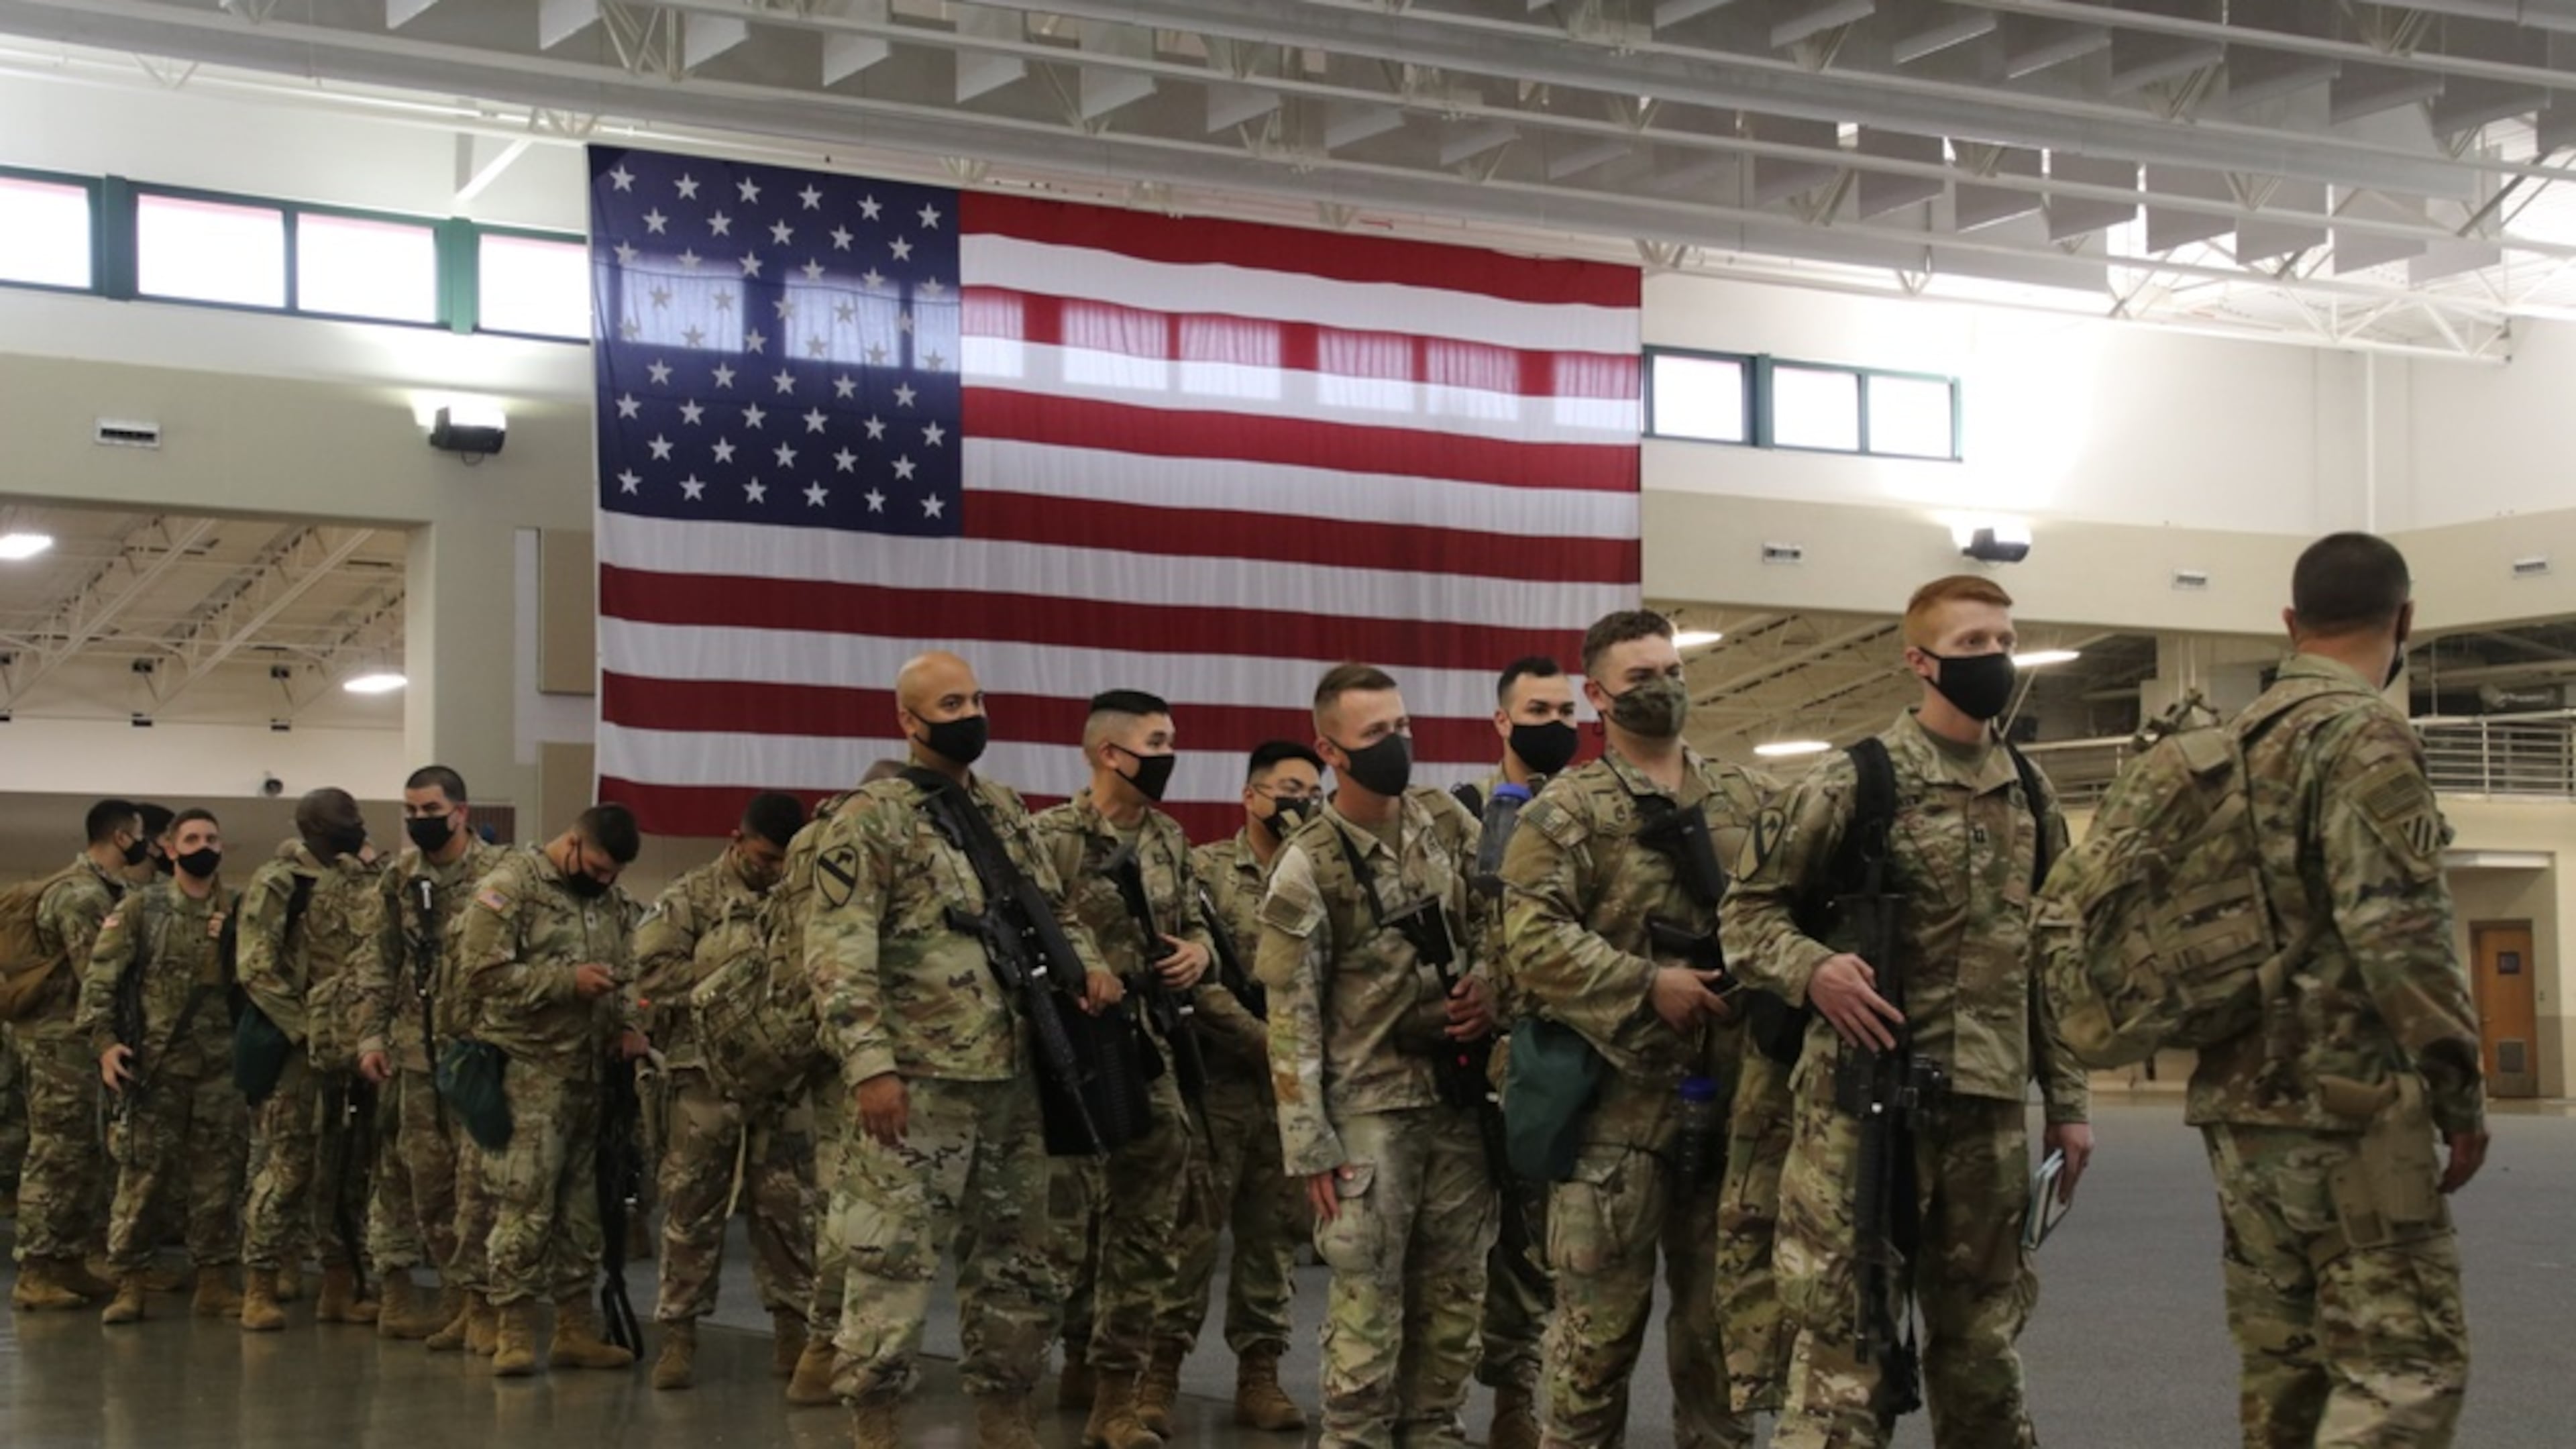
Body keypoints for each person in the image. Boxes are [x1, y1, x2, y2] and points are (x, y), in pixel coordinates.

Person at [1721, 576, 2094, 1449]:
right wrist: (1813, 970)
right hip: (1862, 1111)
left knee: (1985, 1353)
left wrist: (2069, 1105)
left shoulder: (2034, 799)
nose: (1995, 659)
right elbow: (1743, 919)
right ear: (1919, 661)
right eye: (1972, 646)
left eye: (2004, 642)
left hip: (1988, 1115)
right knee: (1847, 1347)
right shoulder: (1852, 782)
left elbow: (2054, 962)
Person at [2191, 533, 2487, 1445]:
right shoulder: (2365, 733)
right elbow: (2401, 935)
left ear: (2289, 624)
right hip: (2350, 1110)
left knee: (2287, 1383)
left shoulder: (2233, 740)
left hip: (2243, 1113)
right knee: (2405, 1372)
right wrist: (2458, 1090)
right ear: (2406, 621)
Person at [800, 651, 1121, 1449]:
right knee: (890, 1261)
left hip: (1017, 1074)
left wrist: (1092, 966)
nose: (970, 713)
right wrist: (870, 1064)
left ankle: (1006, 1411)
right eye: (950, 702)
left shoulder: (1005, 811)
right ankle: (875, 1421)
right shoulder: (869, 817)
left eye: (977, 697)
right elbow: (836, 950)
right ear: (908, 721)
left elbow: (1051, 908)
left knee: (1019, 1261)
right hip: (917, 1085)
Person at [1501, 612, 1773, 1447]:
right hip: (1611, 1115)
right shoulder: (1565, 812)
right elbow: (1530, 943)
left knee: (1725, 1345)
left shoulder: (1749, 797)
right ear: (1597, 696)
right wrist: (1647, 983)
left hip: (1734, 1110)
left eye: (1671, 669)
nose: (1663, 687)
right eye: (1641, 675)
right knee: (1592, 1349)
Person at [1256, 662, 1498, 1449]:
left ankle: (1434, 1432)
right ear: (1331, 750)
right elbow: (1289, 1018)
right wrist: (1310, 1147)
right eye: (1376, 734)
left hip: (1457, 1102)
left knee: (1455, 1293)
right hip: (1367, 1115)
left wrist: (1491, 986)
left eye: (1402, 727)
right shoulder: (1309, 863)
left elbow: (1499, 922)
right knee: (1367, 1299)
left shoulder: (1445, 821)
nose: (1398, 744)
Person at [1031, 691, 1216, 1448]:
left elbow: (1193, 918)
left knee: (1146, 1224)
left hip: (1147, 1047)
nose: (1170, 754)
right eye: (1158, 741)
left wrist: (1198, 951)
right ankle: (1067, 1358)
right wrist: (1082, 970)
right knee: (1065, 1227)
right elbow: (1029, 929)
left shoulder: (1169, 838)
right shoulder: (1050, 836)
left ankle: (1118, 1394)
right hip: (1070, 1053)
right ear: (1110, 752)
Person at [451, 804, 652, 1377]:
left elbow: (631, 970)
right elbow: (481, 973)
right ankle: (513, 1329)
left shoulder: (610, 902)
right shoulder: (511, 886)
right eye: (598, 865)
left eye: (615, 872)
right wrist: (566, 982)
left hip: (591, 1077)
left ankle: (574, 1328)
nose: (607, 878)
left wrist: (631, 1023)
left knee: (583, 1211)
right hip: (528, 1070)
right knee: (525, 1205)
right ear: (573, 843)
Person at [1161, 741, 1325, 1435]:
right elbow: (1192, 977)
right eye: (1289, 789)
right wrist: (1267, 1043)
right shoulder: (1202, 871)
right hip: (1220, 1089)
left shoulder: (1321, 873)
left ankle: (1260, 1374)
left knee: (1273, 1240)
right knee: (1187, 1238)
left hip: (1289, 1098)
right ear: (1251, 797)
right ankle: (1156, 1375)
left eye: (1314, 792)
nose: (1302, 803)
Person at [633, 791, 818, 1391]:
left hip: (784, 1082)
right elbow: (651, 976)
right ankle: (679, 1336)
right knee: (691, 1211)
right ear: (736, 840)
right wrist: (730, 978)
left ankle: (794, 1335)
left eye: (782, 862)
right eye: (764, 858)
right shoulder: (691, 896)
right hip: (705, 1080)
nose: (772, 871)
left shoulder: (805, 899)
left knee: (788, 1216)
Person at [1462, 655, 1581, 1449]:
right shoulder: (1458, 811)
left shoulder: (1589, 810)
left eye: (1567, 709)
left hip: (1547, 1056)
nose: (1557, 724)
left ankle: (1515, 1396)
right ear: (1503, 721)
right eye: (1538, 710)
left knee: (1531, 1247)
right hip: (1457, 1054)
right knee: (1439, 1242)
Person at [358, 765, 507, 1348]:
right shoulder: (399, 877)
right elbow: (376, 962)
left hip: (479, 1054)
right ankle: (456, 1300)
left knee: (481, 1188)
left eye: (430, 810)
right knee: (431, 1186)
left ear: (462, 812)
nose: (420, 820)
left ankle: (483, 1304)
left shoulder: (502, 873)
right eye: (411, 811)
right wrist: (370, 1038)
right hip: (415, 1056)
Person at [82, 808, 247, 1322]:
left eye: (212, 838)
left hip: (222, 1070)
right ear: (170, 849)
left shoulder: (239, 910)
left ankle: (215, 1281)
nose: (204, 845)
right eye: (192, 838)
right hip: (155, 1068)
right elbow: (100, 980)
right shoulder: (141, 908)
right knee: (143, 1177)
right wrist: (106, 1043)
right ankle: (129, 1281)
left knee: (219, 1178)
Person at [235, 787, 388, 1332]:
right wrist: (306, 1030)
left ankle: (339, 1287)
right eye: (344, 820)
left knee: (348, 1173)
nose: (357, 826)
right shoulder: (279, 882)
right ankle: (258, 1283)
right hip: (297, 1051)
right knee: (290, 1167)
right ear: (312, 827)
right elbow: (256, 969)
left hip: (355, 1050)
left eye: (358, 817)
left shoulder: (358, 879)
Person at [5, 798, 143, 1312]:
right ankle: (35, 1267)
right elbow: (97, 974)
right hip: (60, 1043)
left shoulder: (109, 890)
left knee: (85, 1153)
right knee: (55, 1152)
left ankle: (67, 1260)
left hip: (80, 1042)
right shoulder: (80, 894)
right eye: (140, 833)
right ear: (122, 837)